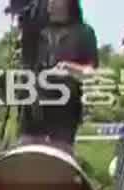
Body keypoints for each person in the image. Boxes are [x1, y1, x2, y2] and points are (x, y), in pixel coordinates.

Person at [19, 0, 98, 150]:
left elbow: (91, 74)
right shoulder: (33, 31)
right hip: (33, 112)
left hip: (65, 114)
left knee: (58, 165)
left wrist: (70, 68)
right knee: (28, 164)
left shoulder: (83, 32)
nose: (50, 3)